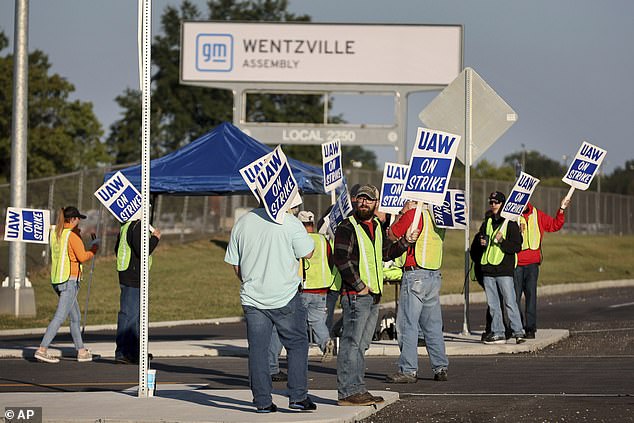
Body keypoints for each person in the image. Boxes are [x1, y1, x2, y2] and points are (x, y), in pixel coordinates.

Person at [224, 203, 317, 413]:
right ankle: (298, 396)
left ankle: (263, 401)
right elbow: (308, 253)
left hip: (253, 298)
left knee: (258, 351)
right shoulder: (290, 222)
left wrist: (251, 281)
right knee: (297, 344)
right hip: (285, 296)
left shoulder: (243, 222)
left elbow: (236, 264)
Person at [333, 184, 419, 406]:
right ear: (354, 201)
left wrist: (405, 242)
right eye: (360, 199)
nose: (364, 203)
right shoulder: (347, 226)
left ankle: (358, 388)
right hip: (356, 294)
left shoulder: (377, 227)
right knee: (351, 343)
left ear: (375, 203)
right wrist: (359, 285)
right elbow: (342, 258)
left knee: (361, 345)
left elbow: (385, 252)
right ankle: (348, 392)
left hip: (373, 296)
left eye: (369, 200)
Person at [385, 202, 449, 384]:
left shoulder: (414, 214)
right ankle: (440, 367)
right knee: (433, 326)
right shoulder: (438, 217)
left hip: (415, 274)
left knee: (407, 324)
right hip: (434, 274)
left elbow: (391, 234)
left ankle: (408, 370)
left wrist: (402, 213)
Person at [34, 206, 99, 363]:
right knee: (60, 316)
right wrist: (95, 247)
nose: (79, 222)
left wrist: (77, 234)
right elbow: (82, 257)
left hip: (57, 280)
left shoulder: (57, 233)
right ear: (74, 219)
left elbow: (67, 249)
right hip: (69, 281)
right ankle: (42, 349)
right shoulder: (72, 236)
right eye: (78, 219)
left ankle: (81, 351)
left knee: (75, 317)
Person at [475, 191, 526, 345]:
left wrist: (502, 241)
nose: (493, 205)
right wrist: (481, 241)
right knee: (493, 305)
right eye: (491, 202)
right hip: (488, 269)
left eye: (496, 202)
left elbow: (517, 246)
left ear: (503, 204)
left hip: (504, 270)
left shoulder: (510, 224)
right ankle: (498, 332)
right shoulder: (488, 222)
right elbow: (481, 238)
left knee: (510, 302)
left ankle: (518, 332)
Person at [514, 197, 570, 338]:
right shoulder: (512, 216)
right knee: (514, 298)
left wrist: (561, 209)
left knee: (531, 297)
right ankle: (517, 327)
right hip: (516, 264)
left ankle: (530, 329)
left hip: (532, 265)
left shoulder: (537, 215)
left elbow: (554, 225)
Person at [114, 219, 161, 364]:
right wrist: (155, 239)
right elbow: (142, 250)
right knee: (130, 316)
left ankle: (135, 352)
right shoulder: (138, 225)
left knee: (134, 316)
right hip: (133, 277)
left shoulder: (126, 225)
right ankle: (124, 352)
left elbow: (117, 249)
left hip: (128, 274)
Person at [297, 210, 336, 362]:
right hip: (322, 289)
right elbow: (331, 260)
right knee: (318, 321)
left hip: (304, 288)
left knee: (298, 323)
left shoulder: (299, 239)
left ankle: (299, 353)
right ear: (312, 224)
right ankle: (325, 342)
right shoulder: (322, 240)